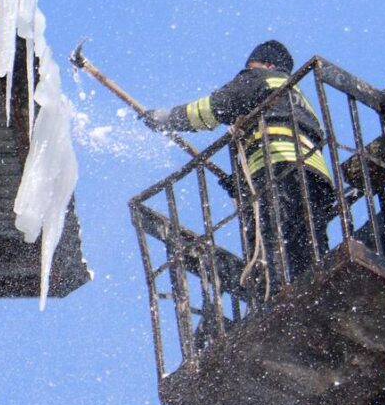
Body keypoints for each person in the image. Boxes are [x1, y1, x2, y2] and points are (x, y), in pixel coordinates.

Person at [141, 40, 334, 301]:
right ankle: (318, 296)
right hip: (315, 176)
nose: (245, 71)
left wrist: (168, 119)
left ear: (267, 64)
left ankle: (276, 301)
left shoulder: (261, 78)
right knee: (308, 245)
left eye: (250, 66)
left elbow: (214, 107)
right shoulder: (296, 96)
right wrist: (240, 184)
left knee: (271, 241)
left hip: (277, 170)